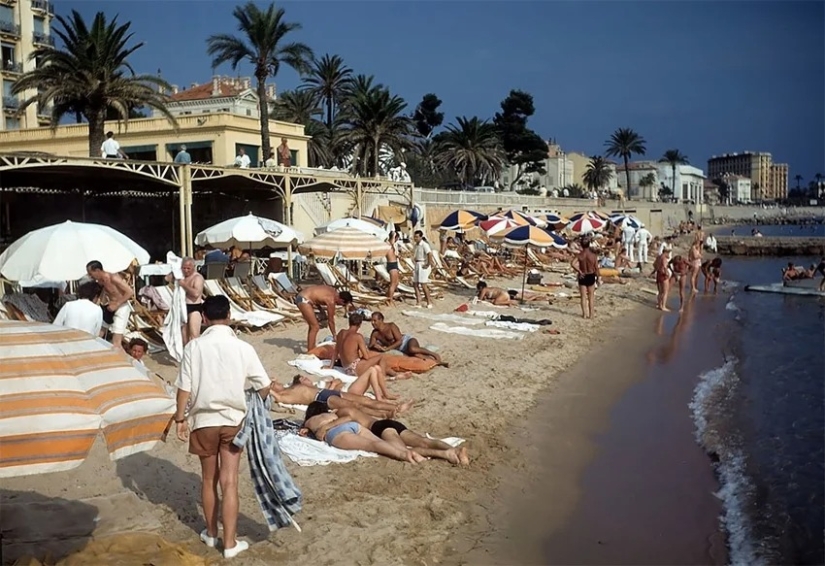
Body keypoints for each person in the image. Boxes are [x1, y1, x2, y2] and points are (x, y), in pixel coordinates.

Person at [174, 295, 271, 559]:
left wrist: (180, 419)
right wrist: (252, 402)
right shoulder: (243, 347)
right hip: (233, 420)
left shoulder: (194, 348)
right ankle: (229, 543)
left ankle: (210, 533)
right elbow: (264, 385)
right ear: (229, 316)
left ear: (203, 318)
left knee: (208, 479)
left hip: (204, 420)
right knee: (230, 482)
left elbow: (184, 388)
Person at [304, 402, 469, 466]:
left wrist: (325, 428)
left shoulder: (339, 413)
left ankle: (447, 454)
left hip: (379, 428)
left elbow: (345, 419)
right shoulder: (348, 409)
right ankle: (455, 451)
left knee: (401, 450)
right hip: (387, 423)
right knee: (423, 441)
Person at [301, 401, 420, 463]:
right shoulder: (331, 414)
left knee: (372, 446)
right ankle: (414, 455)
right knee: (379, 442)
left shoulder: (309, 422)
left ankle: (403, 455)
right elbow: (348, 418)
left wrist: (319, 430)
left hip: (336, 433)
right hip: (352, 425)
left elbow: (304, 433)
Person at [271, 375, 413, 419]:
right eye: (273, 383)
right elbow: (274, 395)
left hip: (325, 392)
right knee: (356, 406)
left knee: (365, 400)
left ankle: (396, 407)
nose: (275, 382)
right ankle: (386, 414)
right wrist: (269, 389)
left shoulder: (292, 385)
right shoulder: (284, 396)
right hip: (321, 398)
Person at [332, 312, 410, 388]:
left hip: (346, 368)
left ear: (349, 322)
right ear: (359, 325)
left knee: (377, 364)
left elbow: (335, 352)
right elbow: (366, 356)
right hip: (355, 368)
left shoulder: (341, 333)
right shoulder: (357, 336)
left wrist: (330, 366)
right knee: (381, 358)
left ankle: (395, 374)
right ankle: (383, 378)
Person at [369, 311, 448, 367]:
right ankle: (438, 363)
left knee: (412, 349)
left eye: (374, 320)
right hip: (401, 349)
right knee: (417, 356)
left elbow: (400, 341)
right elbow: (371, 345)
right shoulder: (375, 333)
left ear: (381, 320)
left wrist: (386, 349)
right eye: (371, 321)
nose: (372, 323)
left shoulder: (391, 326)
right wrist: (376, 346)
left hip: (406, 341)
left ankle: (433, 354)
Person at [86, 260, 134, 351]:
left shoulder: (113, 277)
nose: (90, 276)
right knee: (98, 335)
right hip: (109, 307)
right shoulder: (100, 281)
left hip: (121, 306)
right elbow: (105, 291)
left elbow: (130, 292)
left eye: (91, 273)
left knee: (116, 342)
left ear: (97, 270)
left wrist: (117, 304)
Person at [293, 285, 353, 351]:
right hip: (304, 299)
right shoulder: (331, 300)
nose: (340, 305)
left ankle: (311, 347)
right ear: (341, 300)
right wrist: (334, 335)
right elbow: (331, 320)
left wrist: (321, 310)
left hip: (304, 297)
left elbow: (317, 297)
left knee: (313, 326)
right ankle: (310, 350)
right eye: (343, 304)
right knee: (315, 327)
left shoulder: (333, 292)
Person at [166, 257, 205, 345]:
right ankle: (187, 355)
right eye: (184, 268)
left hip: (194, 307)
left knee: (194, 336)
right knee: (184, 337)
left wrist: (183, 285)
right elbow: (167, 278)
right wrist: (174, 272)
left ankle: (195, 355)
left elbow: (196, 294)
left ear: (193, 267)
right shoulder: (181, 276)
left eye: (189, 268)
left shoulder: (197, 278)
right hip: (183, 307)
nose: (186, 270)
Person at [570, 237, 600, 319]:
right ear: (589, 244)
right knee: (591, 296)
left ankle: (584, 314)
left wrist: (579, 271)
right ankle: (591, 315)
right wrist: (598, 277)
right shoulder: (593, 255)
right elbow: (596, 267)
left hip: (582, 275)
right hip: (590, 275)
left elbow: (572, 263)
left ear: (582, 245)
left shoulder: (580, 255)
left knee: (583, 296)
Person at [412, 230, 434, 309]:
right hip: (417, 264)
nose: (415, 238)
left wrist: (428, 263)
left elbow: (429, 253)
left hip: (423, 264)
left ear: (421, 237)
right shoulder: (416, 245)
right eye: (415, 237)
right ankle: (418, 302)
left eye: (417, 237)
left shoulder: (424, 245)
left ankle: (429, 301)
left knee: (423, 284)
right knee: (415, 284)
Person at [653, 247, 672, 312]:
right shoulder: (664, 258)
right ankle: (663, 306)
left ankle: (659, 304)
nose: (669, 255)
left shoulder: (658, 257)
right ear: (666, 252)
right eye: (668, 253)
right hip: (663, 275)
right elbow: (664, 266)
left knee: (660, 292)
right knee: (665, 292)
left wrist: (657, 269)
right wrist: (667, 273)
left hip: (658, 274)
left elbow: (654, 264)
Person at [385, 231, 400, 303]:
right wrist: (393, 235)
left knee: (396, 283)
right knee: (393, 284)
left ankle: (388, 296)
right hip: (392, 264)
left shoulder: (391, 245)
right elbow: (392, 242)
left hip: (394, 264)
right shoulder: (388, 244)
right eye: (396, 238)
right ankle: (390, 300)